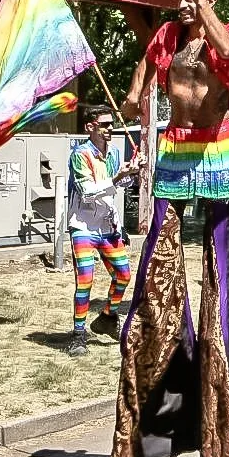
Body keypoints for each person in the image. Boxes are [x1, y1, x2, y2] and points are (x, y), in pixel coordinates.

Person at [111, 0, 229, 457]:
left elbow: (227, 54)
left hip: (219, 152)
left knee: (222, 295)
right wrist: (132, 97)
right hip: (175, 151)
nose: (182, 5)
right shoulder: (167, 36)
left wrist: (204, 9)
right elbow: (147, 66)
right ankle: (147, 431)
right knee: (156, 279)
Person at [66, 108, 141, 355]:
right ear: (90, 127)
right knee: (85, 281)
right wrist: (118, 176)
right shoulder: (80, 155)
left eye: (112, 124)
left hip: (108, 226)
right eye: (105, 125)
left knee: (123, 275)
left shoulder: (115, 152)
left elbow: (119, 184)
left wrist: (132, 172)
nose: (110, 129)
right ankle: (78, 336)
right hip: (83, 227)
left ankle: (107, 318)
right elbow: (87, 191)